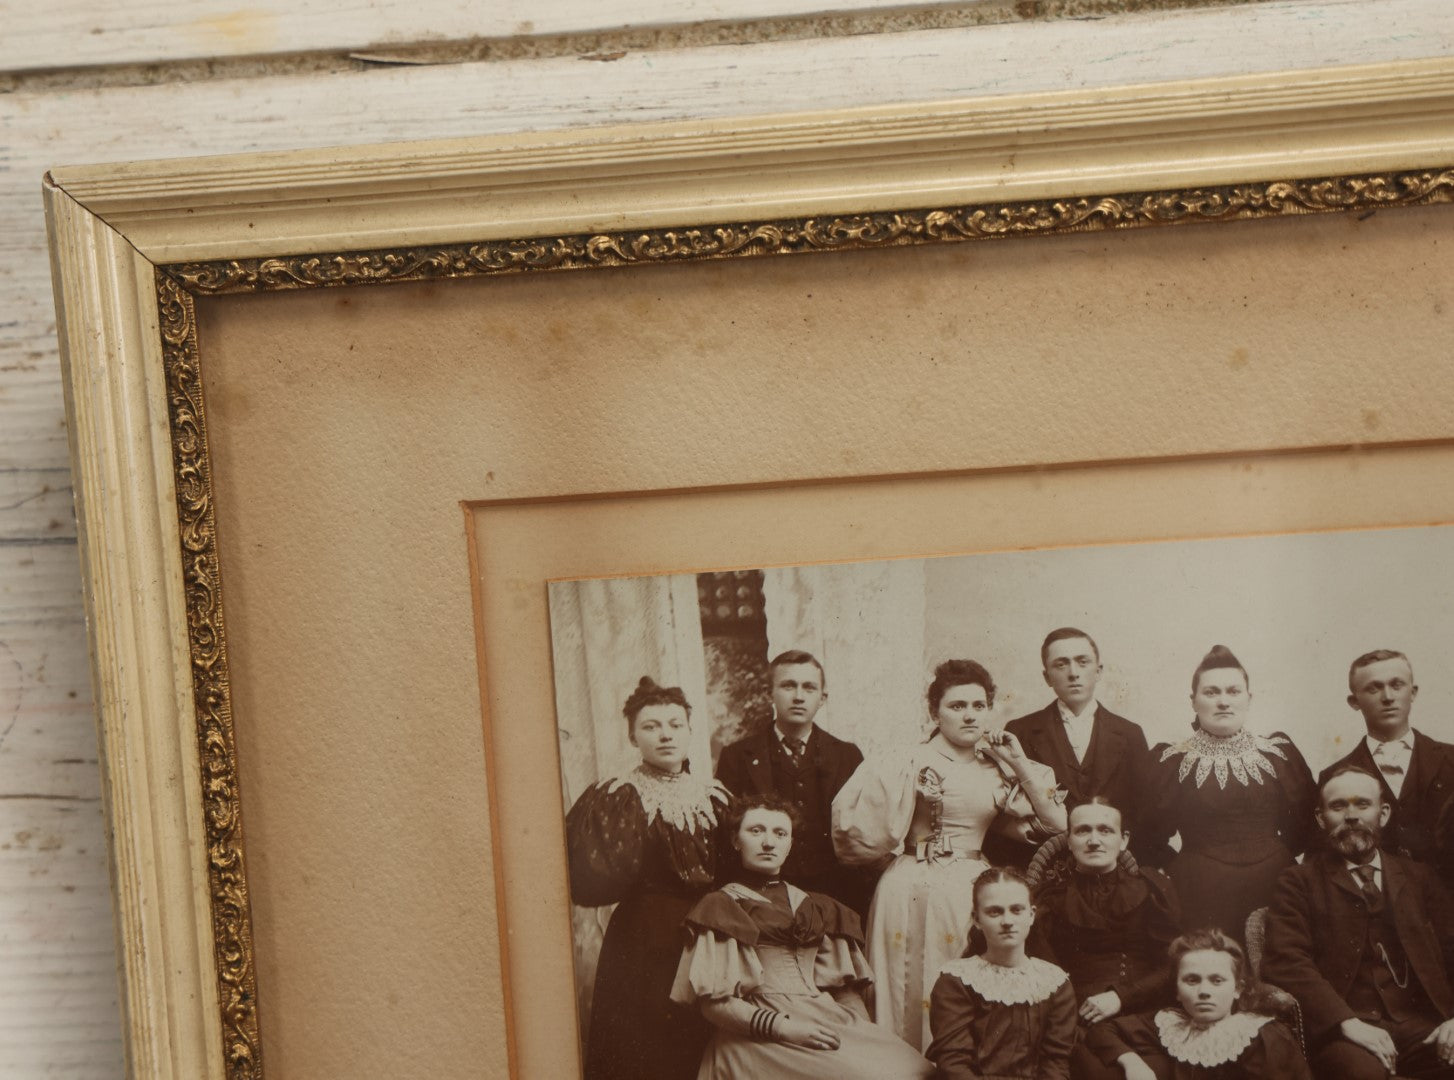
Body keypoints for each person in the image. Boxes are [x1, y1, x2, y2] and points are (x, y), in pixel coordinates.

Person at [832, 658, 1066, 1050]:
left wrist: (1019, 762)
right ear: (935, 712)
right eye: (957, 706)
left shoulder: (997, 767)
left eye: (978, 705)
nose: (970, 715)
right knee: (901, 987)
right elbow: (853, 835)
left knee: (959, 984)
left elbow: (1057, 826)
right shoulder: (906, 759)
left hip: (969, 889)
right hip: (906, 885)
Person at [670, 793, 933, 1080]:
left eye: (780, 833)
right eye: (755, 831)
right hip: (757, 1033)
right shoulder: (721, 906)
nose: (768, 842)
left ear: (790, 844)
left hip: (822, 1018)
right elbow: (714, 1005)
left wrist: (864, 1038)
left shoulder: (816, 905)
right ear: (736, 840)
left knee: (914, 1070)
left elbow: (845, 993)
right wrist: (785, 1028)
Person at [565, 677, 730, 1080]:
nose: (665, 735)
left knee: (700, 1038)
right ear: (632, 737)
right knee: (643, 1044)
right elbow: (594, 879)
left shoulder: (715, 795)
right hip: (642, 939)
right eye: (651, 726)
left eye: (675, 725)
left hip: (707, 934)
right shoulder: (618, 796)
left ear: (691, 731)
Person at [1263, 765, 1454, 1079]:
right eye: (1338, 806)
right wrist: (1346, 1023)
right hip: (1345, 1032)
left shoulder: (1419, 877)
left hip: (1421, 1026)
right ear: (1320, 818)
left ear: (1384, 812)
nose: (1351, 816)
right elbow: (1286, 961)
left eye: (1362, 804)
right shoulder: (1298, 881)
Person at [1139, 645, 1315, 941]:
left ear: (1249, 698)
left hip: (1276, 885)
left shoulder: (1278, 753)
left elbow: (1307, 827)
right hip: (1200, 891)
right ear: (1193, 701)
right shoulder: (1171, 761)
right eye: (1211, 692)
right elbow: (1146, 837)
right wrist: (1181, 871)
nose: (1223, 701)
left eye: (1233, 691)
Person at [716, 650, 871, 914]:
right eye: (788, 686)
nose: (799, 696)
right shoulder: (738, 756)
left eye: (809, 688)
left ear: (822, 698)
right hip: (762, 894)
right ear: (769, 693)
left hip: (836, 890)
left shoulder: (847, 755)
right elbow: (727, 833)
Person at [1028, 799, 1182, 1032]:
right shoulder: (1050, 901)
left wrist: (1122, 997)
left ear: (1124, 840)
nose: (1093, 841)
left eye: (1105, 830)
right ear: (1069, 841)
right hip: (1077, 1018)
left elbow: (1172, 965)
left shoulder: (1150, 892)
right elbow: (1047, 976)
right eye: (1082, 831)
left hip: (1145, 1011)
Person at [1082, 928, 1310, 1079]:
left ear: (1237, 989)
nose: (1204, 992)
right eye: (1192, 980)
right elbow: (1103, 1031)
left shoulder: (1262, 1038)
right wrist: (1132, 1063)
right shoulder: (1172, 1026)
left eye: (1217, 980)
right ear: (1177, 991)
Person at [1005, 629, 1152, 861]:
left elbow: (1143, 813)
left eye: (1082, 662)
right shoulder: (1019, 732)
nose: (1073, 673)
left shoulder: (1130, 734)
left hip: (1114, 870)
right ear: (1047, 677)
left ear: (1099, 671)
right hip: (1043, 868)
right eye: (1061, 665)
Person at [927, 867, 1077, 1080]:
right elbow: (953, 1063)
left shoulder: (1054, 983)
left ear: (1032, 915)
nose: (1007, 921)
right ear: (977, 919)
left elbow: (1055, 1063)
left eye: (1016, 910)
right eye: (994, 912)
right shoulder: (956, 981)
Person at [1320, 649, 1454, 875]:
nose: (1388, 697)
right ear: (1354, 702)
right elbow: (1326, 858)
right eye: (1374, 688)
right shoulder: (1334, 776)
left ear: (1413, 692)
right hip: (1379, 902)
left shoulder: (1450, 759)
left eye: (1397, 685)